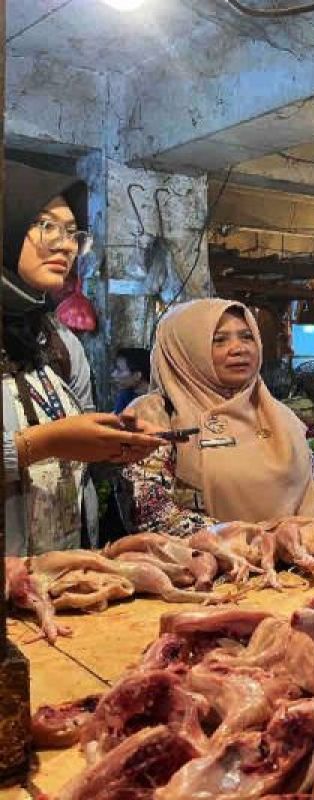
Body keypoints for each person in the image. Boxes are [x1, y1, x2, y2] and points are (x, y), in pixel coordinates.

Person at [2, 161, 162, 554]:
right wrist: (43, 442)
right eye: (46, 225)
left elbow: (78, 440)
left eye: (73, 232)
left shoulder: (56, 339)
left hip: (61, 572)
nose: (66, 245)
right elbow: (57, 441)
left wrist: (113, 444)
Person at [124, 299, 314, 535]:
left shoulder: (280, 416)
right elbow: (151, 515)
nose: (239, 348)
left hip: (295, 563)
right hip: (200, 566)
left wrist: (296, 542)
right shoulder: (154, 416)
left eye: (246, 337)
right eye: (219, 340)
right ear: (185, 349)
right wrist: (254, 541)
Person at [111, 346, 151, 413]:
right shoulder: (125, 395)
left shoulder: (157, 401)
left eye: (119, 370)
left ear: (137, 376)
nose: (113, 374)